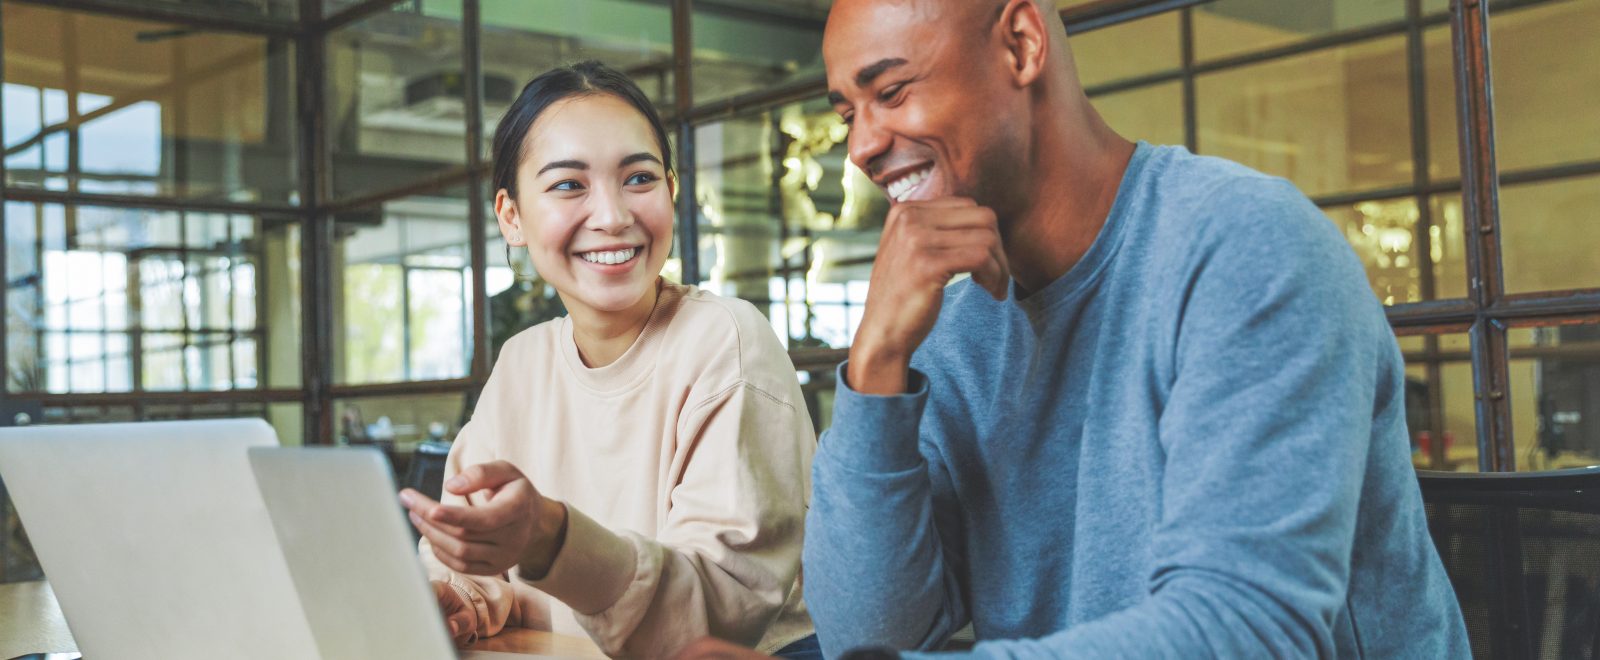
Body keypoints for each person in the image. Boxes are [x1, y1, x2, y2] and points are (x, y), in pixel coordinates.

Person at [677, 0, 1469, 658]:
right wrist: (876, 361)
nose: (861, 145)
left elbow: (1250, 630)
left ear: (1021, 46)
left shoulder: (1245, 246)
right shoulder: (950, 333)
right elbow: (871, 634)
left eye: (891, 92)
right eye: (848, 112)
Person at [398, 61, 820, 659]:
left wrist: (551, 537)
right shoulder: (523, 362)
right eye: (570, 185)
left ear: (673, 192)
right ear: (512, 217)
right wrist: (459, 598)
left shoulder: (726, 340)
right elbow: (469, 559)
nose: (614, 215)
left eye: (639, 178)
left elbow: (714, 618)